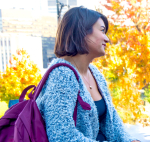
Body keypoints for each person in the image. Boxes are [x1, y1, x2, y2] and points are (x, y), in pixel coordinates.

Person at [35, 6, 140, 142]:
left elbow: (112, 122)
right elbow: (62, 136)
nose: (107, 39)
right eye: (102, 31)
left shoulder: (95, 73)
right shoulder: (61, 75)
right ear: (82, 32)